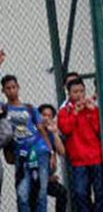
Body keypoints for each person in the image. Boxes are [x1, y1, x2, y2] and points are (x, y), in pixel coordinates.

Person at [2, 75, 52, 212]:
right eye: (8, 88)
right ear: (3, 91)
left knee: (41, 194)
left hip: (39, 151)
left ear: (18, 88)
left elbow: (41, 130)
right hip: (21, 155)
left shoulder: (29, 108)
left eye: (14, 87)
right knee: (22, 194)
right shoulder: (4, 109)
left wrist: (51, 152)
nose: (12, 91)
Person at [58, 77, 103, 212]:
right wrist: (75, 113)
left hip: (96, 157)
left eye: (81, 91)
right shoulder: (64, 111)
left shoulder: (92, 108)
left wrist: (93, 111)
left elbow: (99, 130)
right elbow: (66, 129)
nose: (79, 95)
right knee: (80, 193)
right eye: (75, 92)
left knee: (100, 192)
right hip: (78, 160)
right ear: (69, 94)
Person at [33, 105, 68, 212]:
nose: (46, 118)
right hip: (34, 176)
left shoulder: (51, 134)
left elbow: (62, 152)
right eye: (44, 115)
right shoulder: (33, 133)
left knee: (62, 192)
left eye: (49, 116)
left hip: (48, 176)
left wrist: (54, 133)